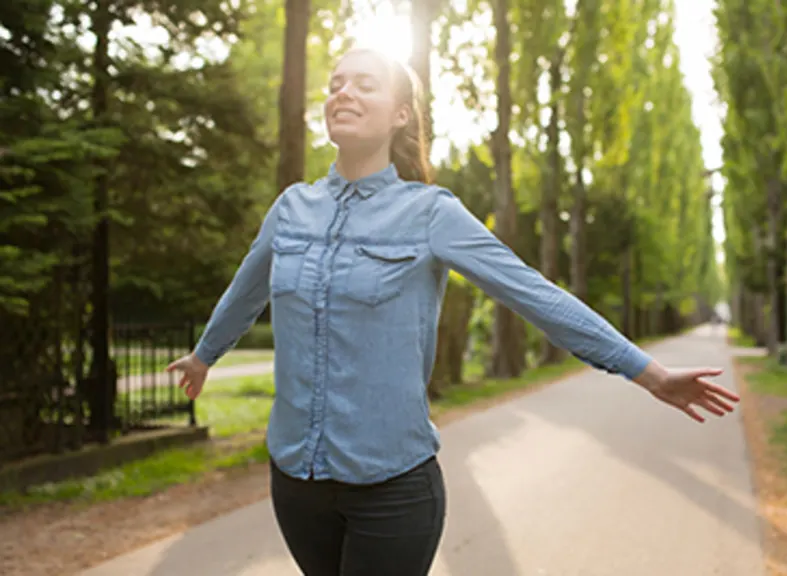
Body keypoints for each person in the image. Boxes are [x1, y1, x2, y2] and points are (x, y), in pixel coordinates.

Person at [166, 48, 740, 576]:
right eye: (336, 83)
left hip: (392, 490)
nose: (343, 92)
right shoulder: (292, 208)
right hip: (295, 479)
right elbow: (248, 289)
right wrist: (204, 355)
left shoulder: (430, 214)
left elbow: (534, 294)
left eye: (366, 83)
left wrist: (648, 372)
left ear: (400, 115)